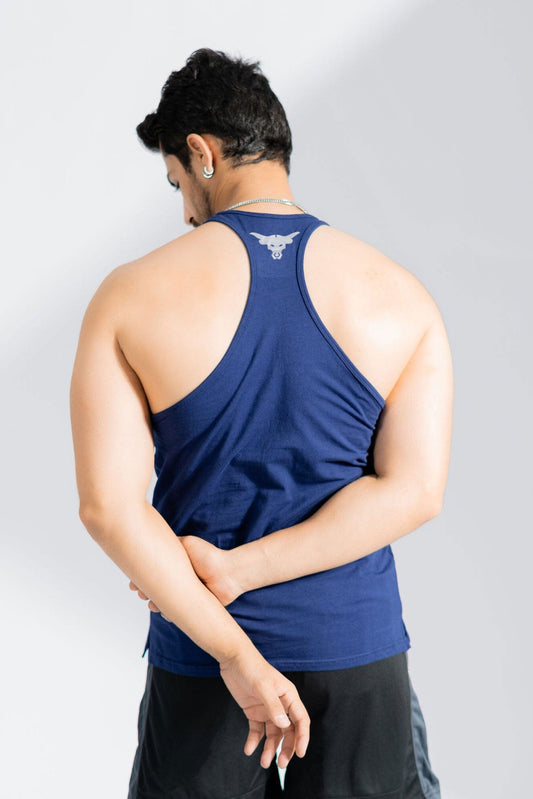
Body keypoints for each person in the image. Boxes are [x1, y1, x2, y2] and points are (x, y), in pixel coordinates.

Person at [70, 47, 452, 799]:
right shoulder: (400, 295)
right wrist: (243, 567)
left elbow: (108, 509)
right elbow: (413, 492)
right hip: (355, 651)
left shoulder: (130, 295)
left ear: (202, 153)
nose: (185, 209)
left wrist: (236, 651)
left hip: (202, 655)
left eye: (177, 181)